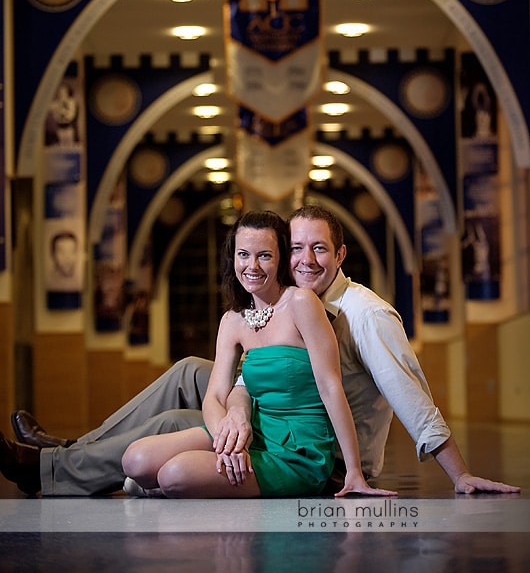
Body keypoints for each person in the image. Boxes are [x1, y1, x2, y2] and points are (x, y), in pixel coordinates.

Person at [0, 206, 520, 496]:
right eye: (296, 248)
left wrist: (459, 472)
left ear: (341, 254)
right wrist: (238, 411)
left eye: (319, 249)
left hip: (330, 447)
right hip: (279, 409)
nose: (305, 259)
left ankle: (52, 469)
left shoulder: (366, 313)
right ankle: (68, 451)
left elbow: (409, 392)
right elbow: (253, 373)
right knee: (189, 372)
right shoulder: (287, 305)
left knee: (173, 423)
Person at [120, 210, 395, 499]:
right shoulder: (232, 321)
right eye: (243, 255)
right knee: (135, 459)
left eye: (264, 255)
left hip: (298, 449)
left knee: (173, 473)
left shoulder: (301, 302)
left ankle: (177, 483)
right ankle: (178, 483)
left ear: (281, 259)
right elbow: (214, 397)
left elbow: (330, 386)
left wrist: (354, 472)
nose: (252, 266)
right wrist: (228, 442)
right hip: (252, 434)